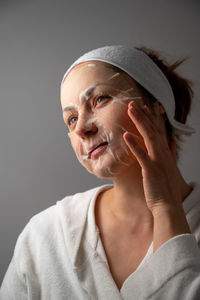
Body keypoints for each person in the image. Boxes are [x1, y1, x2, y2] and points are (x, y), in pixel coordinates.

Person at [1, 45, 200, 300]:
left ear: (156, 104)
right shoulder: (44, 236)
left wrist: (166, 208)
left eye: (100, 99)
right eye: (71, 119)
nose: (82, 127)